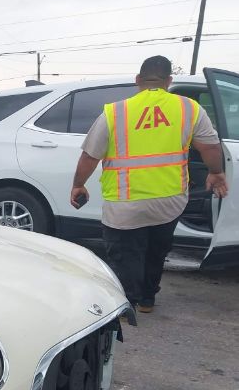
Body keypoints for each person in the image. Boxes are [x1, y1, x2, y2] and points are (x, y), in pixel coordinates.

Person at [70, 55, 228, 314]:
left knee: (125, 253)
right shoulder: (189, 108)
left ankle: (126, 304)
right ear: (169, 80)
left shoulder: (116, 111)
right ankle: (147, 300)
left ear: (137, 80)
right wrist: (217, 173)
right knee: (157, 249)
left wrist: (78, 184)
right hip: (170, 199)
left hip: (125, 202)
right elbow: (210, 145)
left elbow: (90, 155)